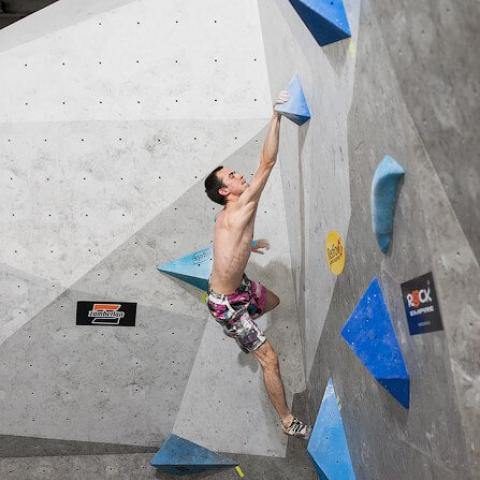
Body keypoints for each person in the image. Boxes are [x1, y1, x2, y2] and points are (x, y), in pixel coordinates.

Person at [203, 91, 311, 439]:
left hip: (237, 287)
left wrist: (249, 245)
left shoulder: (226, 217)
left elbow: (226, 247)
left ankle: (245, 329)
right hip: (225, 305)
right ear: (226, 191)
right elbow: (267, 163)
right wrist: (276, 116)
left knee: (274, 302)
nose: (240, 176)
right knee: (270, 359)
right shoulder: (241, 205)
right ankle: (287, 422)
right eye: (233, 176)